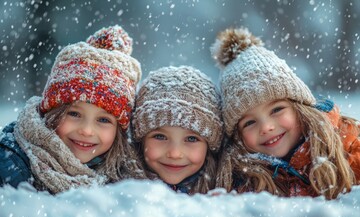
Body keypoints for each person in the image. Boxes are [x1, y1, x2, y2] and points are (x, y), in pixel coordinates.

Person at [211, 27, 360, 200]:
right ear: (237, 136)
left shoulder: (347, 145)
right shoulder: (242, 181)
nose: (266, 127)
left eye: (276, 110)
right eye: (249, 123)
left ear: (299, 108)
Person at [0, 25, 146, 194]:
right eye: (74, 114)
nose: (86, 130)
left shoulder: (122, 177)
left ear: (119, 130)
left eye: (104, 120)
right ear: (51, 112)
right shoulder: (11, 165)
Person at [132, 65, 224, 194]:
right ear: (141, 140)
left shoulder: (224, 195)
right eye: (160, 136)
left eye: (191, 139)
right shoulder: (119, 192)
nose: (175, 154)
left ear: (210, 146)